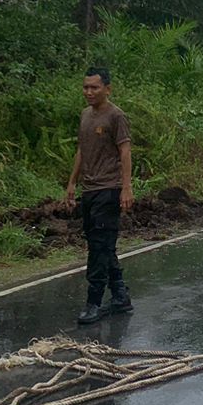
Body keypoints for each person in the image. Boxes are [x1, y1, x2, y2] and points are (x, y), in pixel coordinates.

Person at [64, 66, 134, 325]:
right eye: (86, 87)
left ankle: (93, 302)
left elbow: (125, 152)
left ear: (107, 89)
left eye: (94, 87)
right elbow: (81, 151)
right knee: (102, 245)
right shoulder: (85, 116)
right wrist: (72, 183)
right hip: (89, 189)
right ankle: (119, 296)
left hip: (109, 188)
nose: (89, 92)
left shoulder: (116, 116)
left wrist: (126, 188)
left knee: (98, 247)